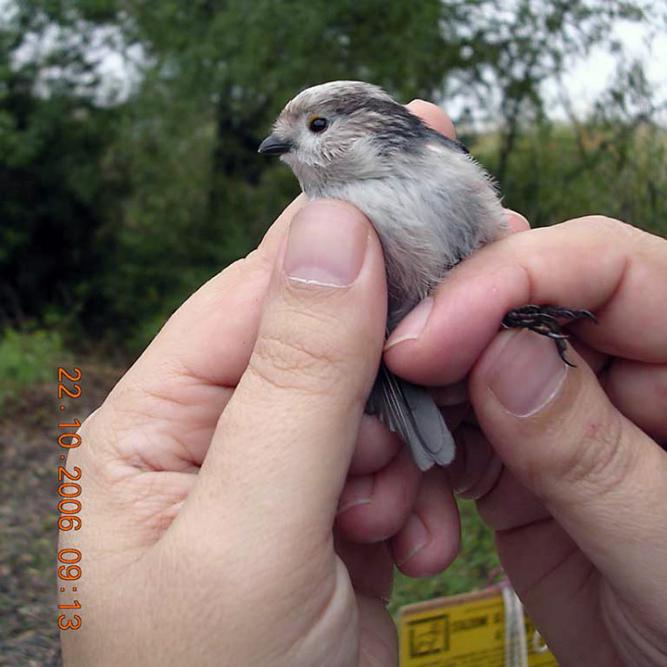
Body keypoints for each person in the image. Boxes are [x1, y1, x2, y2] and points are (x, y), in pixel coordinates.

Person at [60, 102, 667, 667]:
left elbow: (489, 238)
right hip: (398, 352)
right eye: (288, 134)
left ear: (374, 124)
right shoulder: (327, 211)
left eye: (315, 126)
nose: (284, 143)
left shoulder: (437, 163)